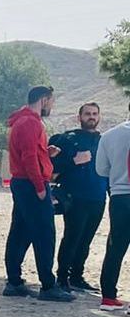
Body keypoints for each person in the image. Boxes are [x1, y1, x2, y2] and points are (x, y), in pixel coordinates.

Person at [3, 85, 70, 301]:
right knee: (44, 234)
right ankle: (48, 286)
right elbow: (29, 158)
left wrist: (46, 154)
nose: (51, 105)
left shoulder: (20, 122)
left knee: (21, 232)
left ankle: (14, 281)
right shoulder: (30, 123)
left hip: (22, 183)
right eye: (51, 101)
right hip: (31, 184)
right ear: (43, 100)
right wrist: (41, 188)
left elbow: (31, 153)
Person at [51, 103, 107, 293]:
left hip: (98, 197)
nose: (91, 117)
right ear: (79, 117)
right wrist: (73, 160)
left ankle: (76, 276)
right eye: (87, 114)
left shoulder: (104, 141)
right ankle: (62, 277)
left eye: (94, 114)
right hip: (75, 197)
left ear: (99, 117)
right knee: (72, 238)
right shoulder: (67, 139)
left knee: (86, 240)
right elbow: (52, 168)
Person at [95, 114, 130, 310]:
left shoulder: (109, 136)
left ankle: (108, 296)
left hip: (119, 196)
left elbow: (101, 170)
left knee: (116, 246)